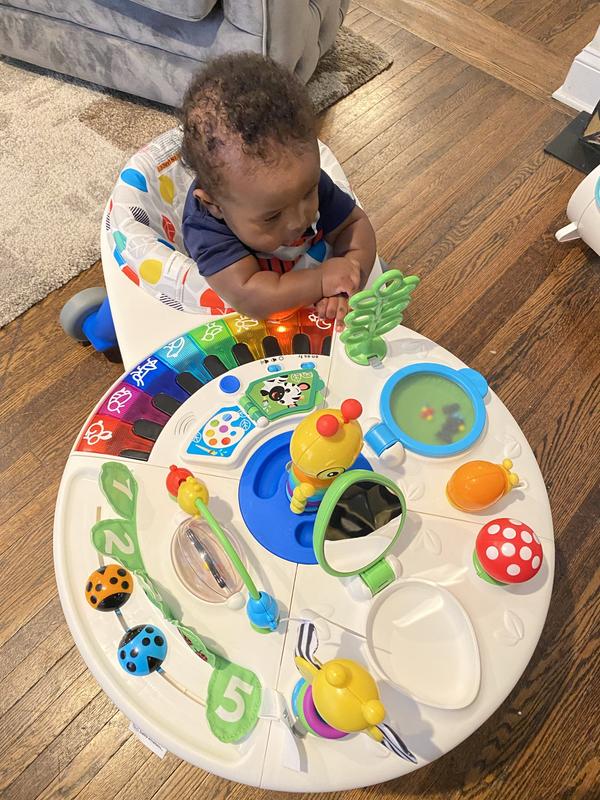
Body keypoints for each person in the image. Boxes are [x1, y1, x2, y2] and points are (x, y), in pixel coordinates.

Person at [180, 52, 377, 329]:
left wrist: (349, 276)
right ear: (215, 207)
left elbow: (354, 224)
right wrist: (321, 280)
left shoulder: (295, 182)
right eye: (272, 216)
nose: (299, 220)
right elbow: (251, 297)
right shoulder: (206, 227)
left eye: (308, 194)